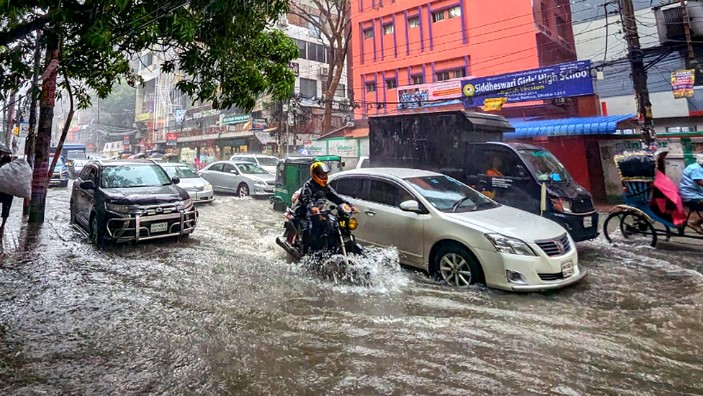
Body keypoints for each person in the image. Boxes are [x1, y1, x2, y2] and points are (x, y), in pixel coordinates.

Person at [293, 161, 357, 253]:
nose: (324, 177)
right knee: (308, 228)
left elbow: (336, 197)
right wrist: (312, 207)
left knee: (331, 224)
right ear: (315, 174)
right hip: (304, 212)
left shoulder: (326, 187)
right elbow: (307, 198)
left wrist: (349, 205)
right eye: (321, 175)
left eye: (325, 174)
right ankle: (305, 254)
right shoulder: (308, 186)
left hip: (318, 212)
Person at [679, 153, 703, 233]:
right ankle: (695, 223)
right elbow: (700, 182)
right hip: (691, 197)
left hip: (697, 194)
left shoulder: (699, 167)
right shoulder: (695, 168)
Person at [0, 152, 13, 235]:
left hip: (3, 192)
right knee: (6, 209)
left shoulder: (1, 168)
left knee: (6, 209)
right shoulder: (13, 169)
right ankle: (2, 226)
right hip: (8, 193)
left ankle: (2, 227)